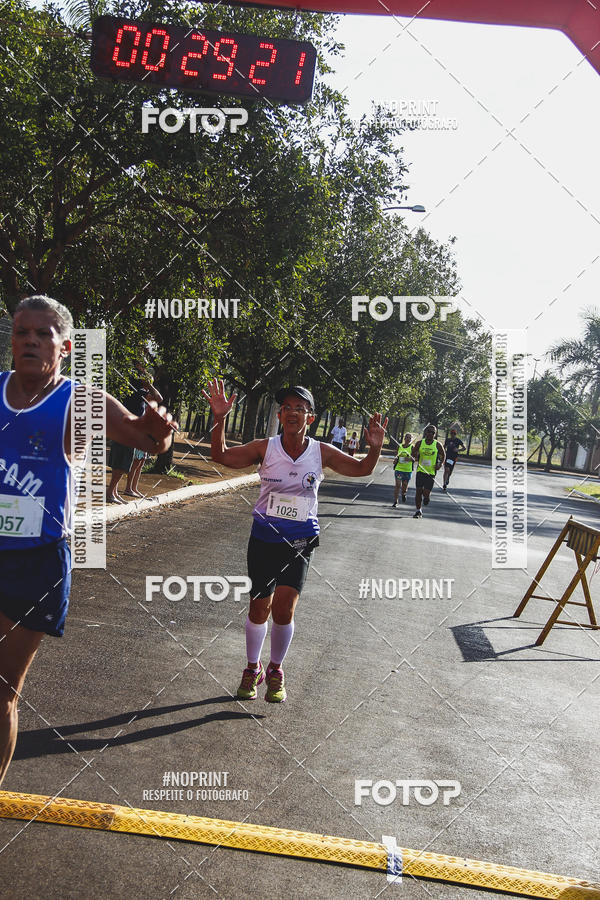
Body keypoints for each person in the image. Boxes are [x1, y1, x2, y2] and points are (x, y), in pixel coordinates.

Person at [0, 295, 177, 786]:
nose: (31, 340)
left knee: (2, 691)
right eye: (21, 332)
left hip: (36, 563)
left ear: (66, 346)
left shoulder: (82, 401)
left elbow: (145, 438)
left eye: (43, 333)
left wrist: (158, 430)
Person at [203, 379, 387, 703]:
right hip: (263, 537)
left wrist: (374, 448)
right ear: (279, 415)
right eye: (286, 407)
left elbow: (361, 470)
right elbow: (221, 456)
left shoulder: (321, 452)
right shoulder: (265, 448)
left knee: (284, 609)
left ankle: (275, 670)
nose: (292, 413)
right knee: (259, 608)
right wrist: (219, 418)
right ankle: (252, 668)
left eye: (299, 408)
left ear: (310, 418)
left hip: (300, 540)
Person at [107, 361, 163, 502]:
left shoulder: (141, 391)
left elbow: (158, 398)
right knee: (121, 462)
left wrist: (147, 383)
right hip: (125, 429)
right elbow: (158, 397)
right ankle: (110, 493)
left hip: (132, 431)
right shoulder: (133, 390)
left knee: (125, 462)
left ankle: (113, 492)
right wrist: (147, 382)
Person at [411, 424, 445, 518]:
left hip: (431, 473)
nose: (430, 434)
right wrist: (415, 457)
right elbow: (413, 453)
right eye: (429, 431)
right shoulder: (419, 443)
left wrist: (440, 464)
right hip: (420, 471)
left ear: (435, 434)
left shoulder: (437, 444)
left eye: (433, 432)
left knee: (425, 492)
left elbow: (443, 455)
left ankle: (427, 497)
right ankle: (418, 511)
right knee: (418, 491)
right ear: (426, 432)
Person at [392, 432, 413, 507]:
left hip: (407, 470)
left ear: (411, 439)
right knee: (398, 484)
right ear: (404, 438)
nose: (408, 439)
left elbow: (415, 458)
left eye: (410, 438)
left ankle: (404, 494)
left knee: (404, 486)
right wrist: (395, 459)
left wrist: (408, 459)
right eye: (407, 437)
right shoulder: (400, 446)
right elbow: (396, 455)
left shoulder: (412, 447)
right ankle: (395, 501)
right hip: (399, 469)